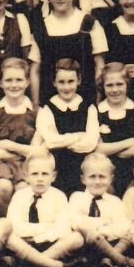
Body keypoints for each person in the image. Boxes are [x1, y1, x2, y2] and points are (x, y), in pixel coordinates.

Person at [33, 0, 107, 103]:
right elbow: (35, 71)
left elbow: (100, 66)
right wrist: (36, 105)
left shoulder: (90, 23)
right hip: (49, 101)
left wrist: (96, 101)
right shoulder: (40, 28)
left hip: (85, 99)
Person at [3, 150, 84, 267]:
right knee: (6, 236)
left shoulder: (59, 196)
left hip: (50, 244)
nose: (40, 179)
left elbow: (63, 229)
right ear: (26, 176)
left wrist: (40, 236)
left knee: (77, 238)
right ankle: (47, 263)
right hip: (25, 242)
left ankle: (31, 261)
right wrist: (46, 227)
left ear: (53, 177)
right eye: (35, 174)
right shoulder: (19, 196)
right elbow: (15, 226)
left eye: (45, 174)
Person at [0, 58, 39, 217]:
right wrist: (22, 152)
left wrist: (9, 145)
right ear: (0, 83)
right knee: (4, 186)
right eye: (8, 80)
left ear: (27, 81)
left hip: (26, 163)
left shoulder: (36, 111)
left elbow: (36, 151)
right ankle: (3, 222)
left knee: (24, 188)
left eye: (19, 80)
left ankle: (20, 225)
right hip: (1, 162)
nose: (14, 85)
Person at [36, 58, 98, 195]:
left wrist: (62, 141)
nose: (66, 87)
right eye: (61, 82)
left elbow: (90, 143)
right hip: (57, 166)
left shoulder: (88, 106)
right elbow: (51, 141)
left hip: (82, 166)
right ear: (54, 82)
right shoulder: (47, 108)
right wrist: (78, 136)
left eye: (71, 81)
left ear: (79, 80)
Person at [68, 152, 134, 267]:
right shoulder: (77, 197)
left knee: (129, 234)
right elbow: (74, 222)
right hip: (85, 244)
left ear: (111, 179)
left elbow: (122, 226)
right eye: (92, 177)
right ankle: (120, 260)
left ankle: (107, 260)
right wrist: (103, 222)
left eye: (102, 176)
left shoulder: (114, 201)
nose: (97, 181)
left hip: (109, 243)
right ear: (83, 179)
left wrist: (101, 233)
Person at [95, 63, 134, 196]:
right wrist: (129, 142)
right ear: (103, 86)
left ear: (127, 84)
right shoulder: (97, 111)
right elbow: (99, 149)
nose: (115, 90)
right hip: (106, 171)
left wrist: (112, 151)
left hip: (133, 170)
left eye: (119, 84)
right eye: (109, 85)